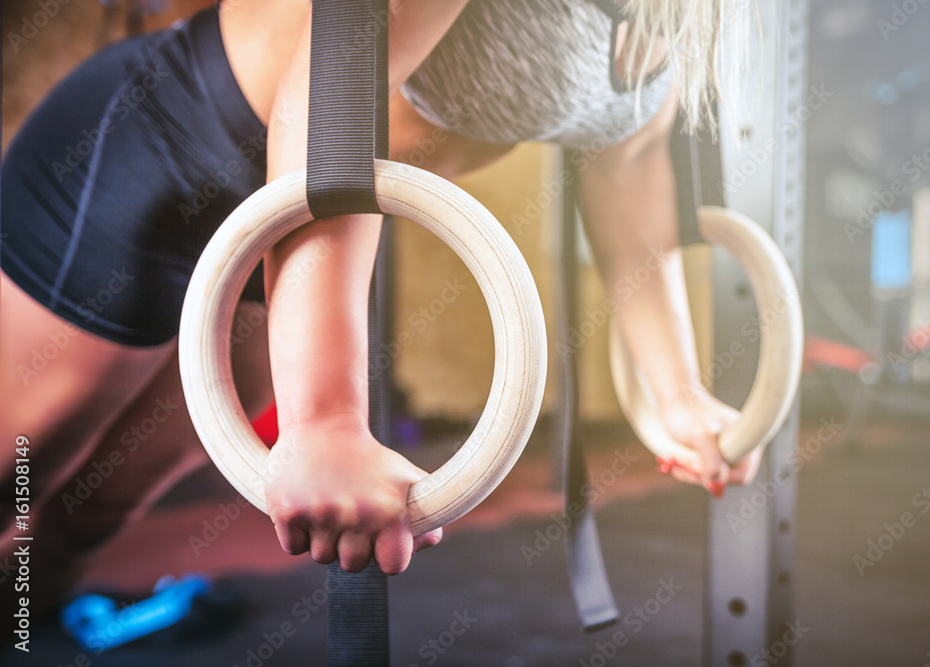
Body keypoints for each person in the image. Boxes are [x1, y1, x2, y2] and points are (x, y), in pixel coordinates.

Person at [0, 0, 761, 623]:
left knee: (98, 507)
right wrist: (326, 419)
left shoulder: (684, 16)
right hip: (156, 153)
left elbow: (627, 171)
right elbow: (327, 95)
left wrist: (676, 393)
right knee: (24, 467)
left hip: (299, 231)